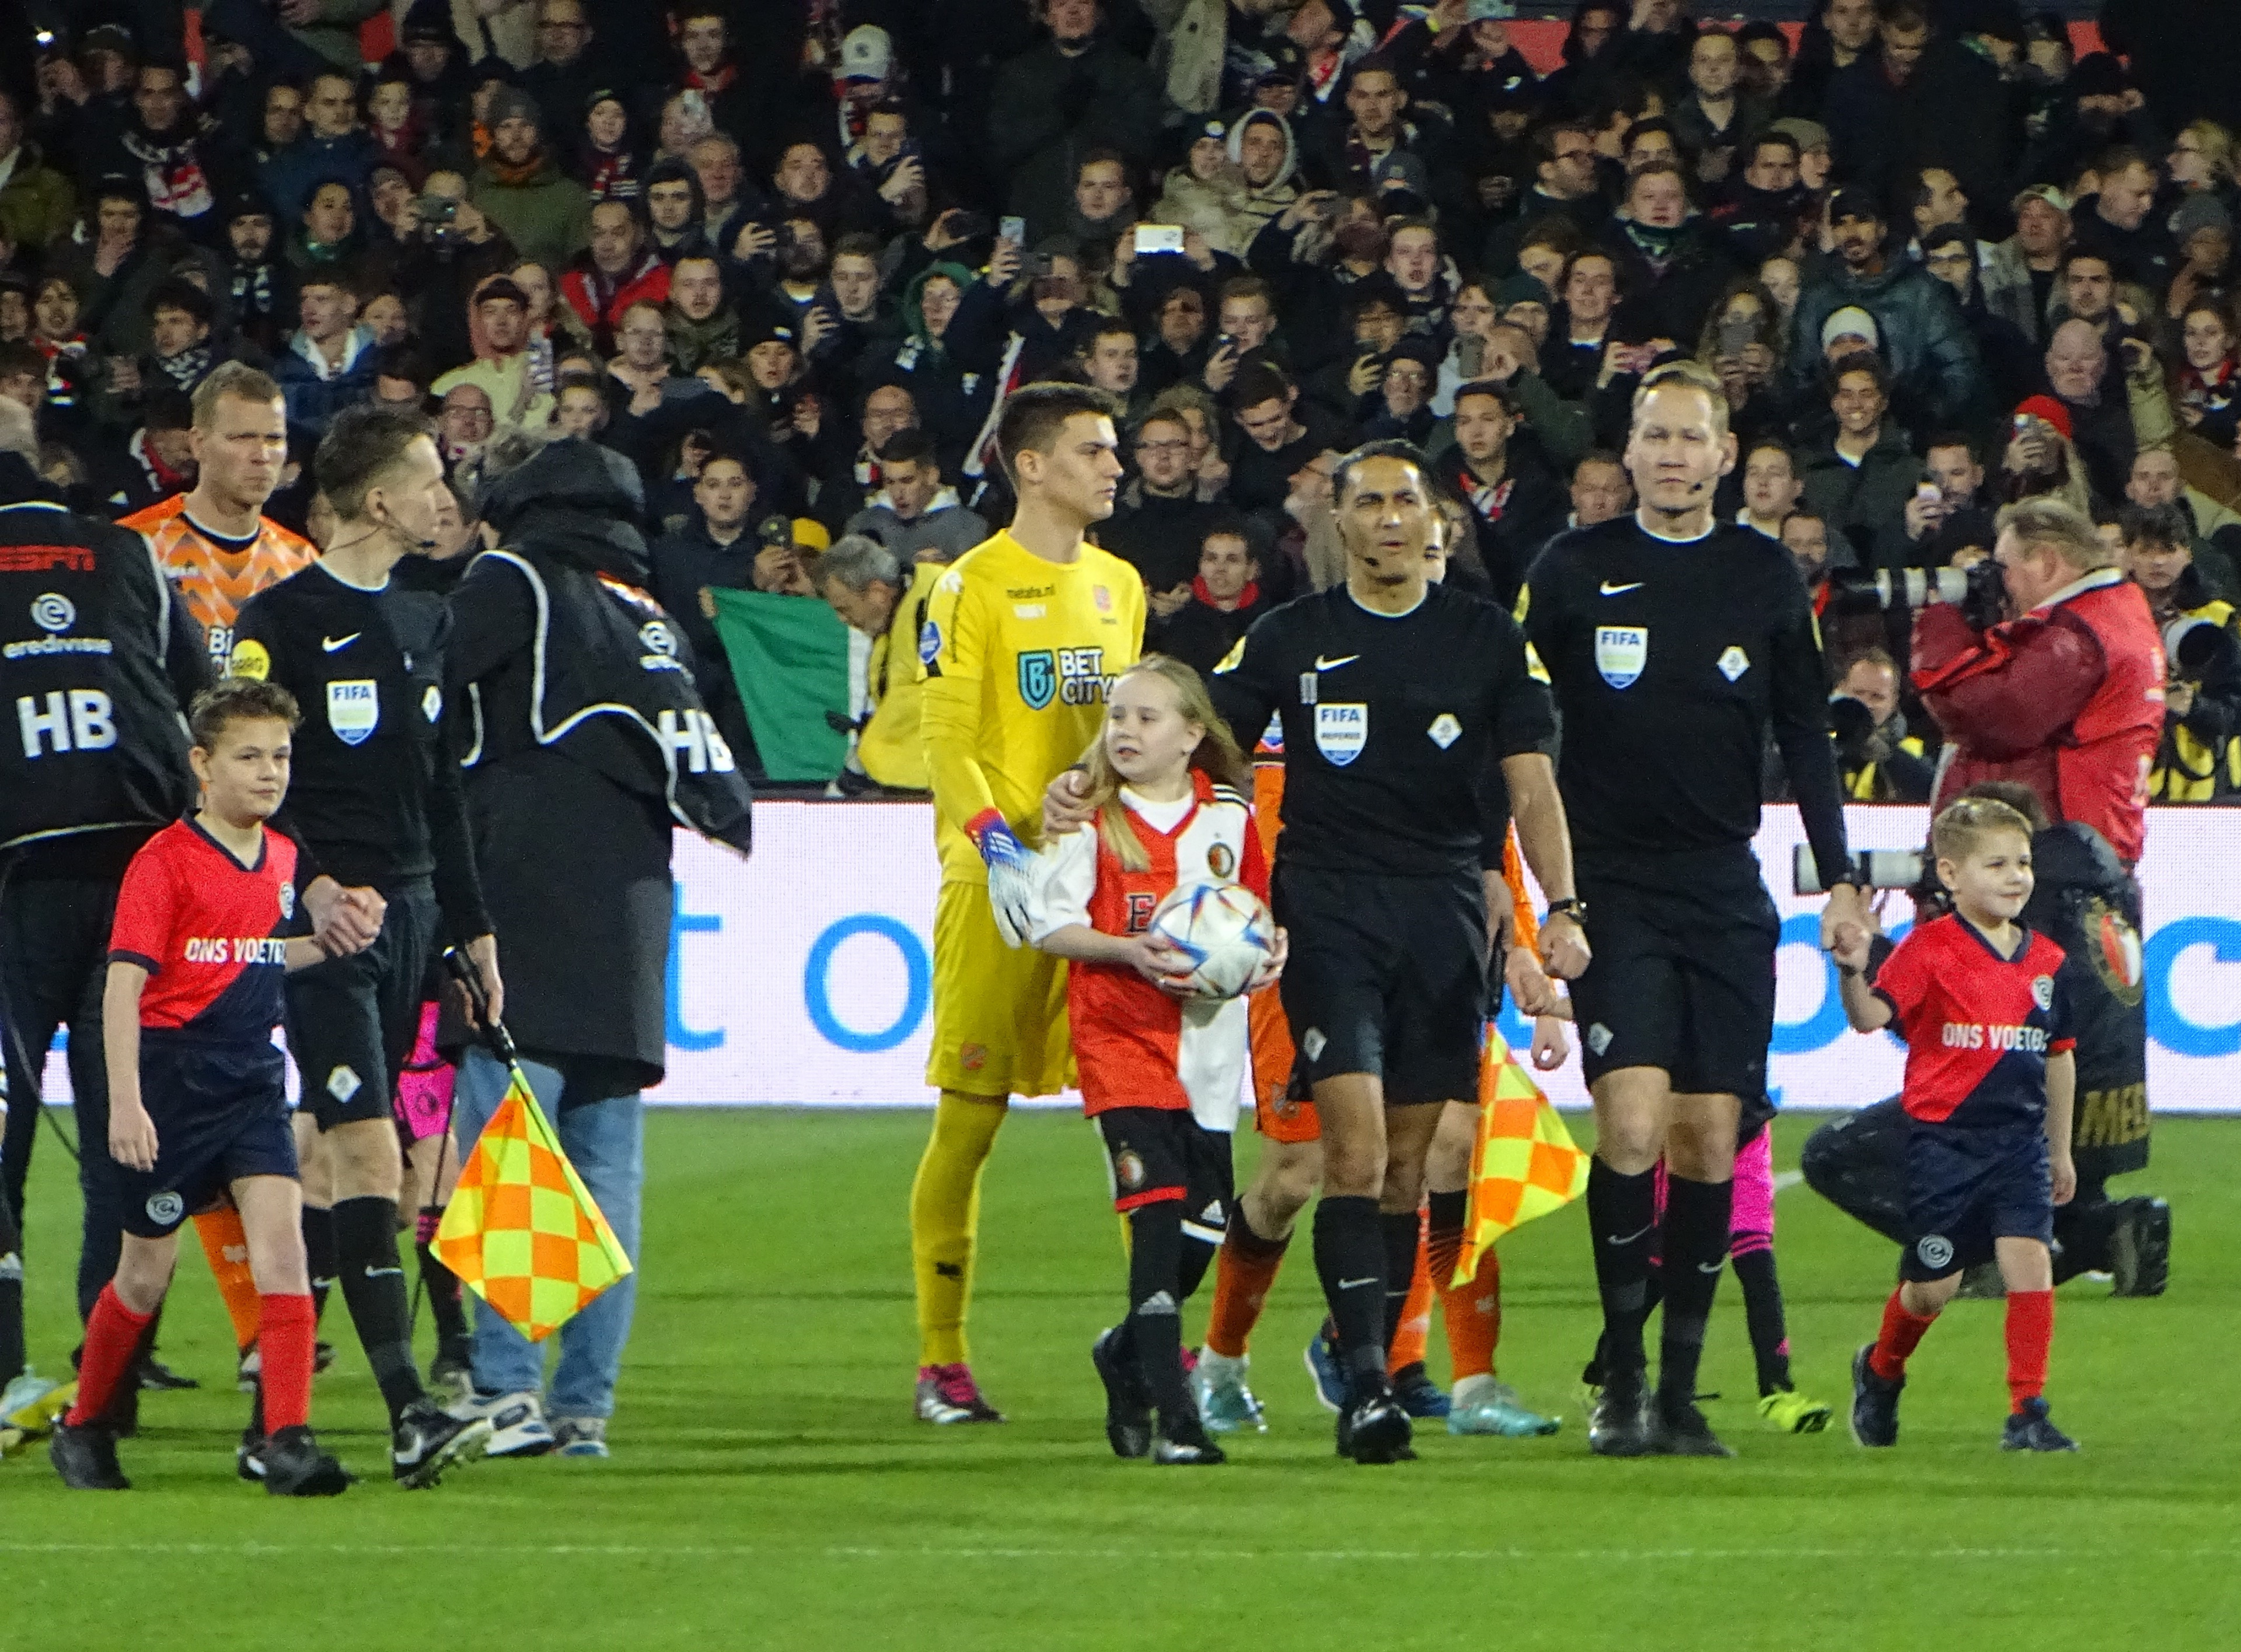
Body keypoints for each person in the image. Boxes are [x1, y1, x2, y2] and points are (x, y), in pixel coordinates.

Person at [1178, 436, 1584, 1464]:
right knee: (1347, 1156)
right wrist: (1212, 847)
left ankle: (1370, 1362)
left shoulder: (1489, 640)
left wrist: (1563, 906)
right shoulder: (1291, 636)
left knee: (1411, 1168)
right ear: (1339, 524)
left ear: (1438, 521)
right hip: (1327, 916)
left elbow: (1530, 786)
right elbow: (1210, 739)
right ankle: (1367, 1385)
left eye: (1409, 501)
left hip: (1444, 916)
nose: (1392, 519)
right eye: (1370, 503)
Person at [1519, 358, 1867, 1458]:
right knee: (1629, 1129)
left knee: (1711, 1143)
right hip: (1613, 885)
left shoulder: (1765, 579)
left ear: (1727, 456)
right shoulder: (1572, 570)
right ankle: (1619, 1380)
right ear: (1628, 451)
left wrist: (1840, 871)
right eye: (1653, 437)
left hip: (1724, 883)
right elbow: (1523, 733)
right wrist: (1538, 889)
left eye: (1691, 439)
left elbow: (1807, 733)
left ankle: (1678, 1390)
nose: (1671, 457)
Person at [445, 430, 753, 1458]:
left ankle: (506, 1390)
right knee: (605, 1162)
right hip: (632, 901)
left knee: (516, 1153)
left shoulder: (515, 581)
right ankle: (586, 1409)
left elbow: (425, 692)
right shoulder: (647, 612)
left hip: (523, 887)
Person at [226, 405, 499, 1482]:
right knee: (372, 1156)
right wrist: (315, 884)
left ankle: (276, 1407)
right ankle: (408, 1408)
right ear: (379, 500)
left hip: (420, 918)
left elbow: (444, 793)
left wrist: (474, 929)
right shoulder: (281, 620)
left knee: (348, 1168)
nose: (446, 498)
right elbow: (243, 782)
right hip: (327, 923)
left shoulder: (432, 620)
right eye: (430, 479)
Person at [50, 679, 371, 1496]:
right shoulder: (163, 862)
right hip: (168, 1079)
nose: (270, 773)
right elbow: (124, 987)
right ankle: (85, 1423)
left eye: (281, 756)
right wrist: (125, 1101)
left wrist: (329, 943)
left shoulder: (284, 859)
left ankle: (287, 1435)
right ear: (202, 764)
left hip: (251, 1077)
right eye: (250, 756)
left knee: (283, 1249)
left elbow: (252, 958)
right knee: (144, 1274)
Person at [909, 382, 1144, 1425]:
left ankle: (1157, 1341)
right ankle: (941, 1360)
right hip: (1000, 887)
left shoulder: (1121, 585)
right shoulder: (968, 588)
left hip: (1101, 883)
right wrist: (1005, 852)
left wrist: (1102, 793)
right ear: (1033, 464)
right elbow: (946, 745)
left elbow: (1130, 733)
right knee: (970, 1122)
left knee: (1144, 1120)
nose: (1117, 466)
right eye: (1096, 450)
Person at [0, 394, 210, 1440]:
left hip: (18, 880)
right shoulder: (126, 558)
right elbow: (205, 695)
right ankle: (108, 1374)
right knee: (119, 1120)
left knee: (5, 1128)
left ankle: (7, 1373)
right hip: (138, 866)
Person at [1026, 655, 1282, 1467]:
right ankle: (1177, 1415)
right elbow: (1046, 922)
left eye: (1146, 717)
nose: (1125, 730)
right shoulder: (1089, 817)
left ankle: (1123, 1356)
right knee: (1158, 1213)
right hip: (1118, 1039)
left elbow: (1260, 911)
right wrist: (1128, 950)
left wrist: (1270, 952)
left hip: (1207, 1052)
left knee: (1205, 1227)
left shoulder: (1228, 820)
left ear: (1192, 735)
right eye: (1117, 717)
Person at [1910, 496, 2167, 1290]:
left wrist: (1942, 628)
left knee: (2005, 1058)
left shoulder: (2079, 630)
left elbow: (1997, 711)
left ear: (2050, 561)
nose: (2001, 579)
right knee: (2065, 1059)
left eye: (2009, 562)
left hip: (2050, 866)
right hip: (2089, 859)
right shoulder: (2116, 614)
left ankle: (2014, 1242)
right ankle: (2095, 1225)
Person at [1832, 795, 2081, 1454]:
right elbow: (1869, 1018)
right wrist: (1851, 971)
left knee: (2029, 1263)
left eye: (2022, 862)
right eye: (1996, 863)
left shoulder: (2049, 961)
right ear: (1949, 873)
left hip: (2019, 1142)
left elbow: (2059, 1058)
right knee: (1933, 1284)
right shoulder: (1930, 949)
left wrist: (2060, 1148)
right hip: (1944, 1142)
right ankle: (1881, 1370)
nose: (2015, 876)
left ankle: (2027, 1408)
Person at [123, 364, 318, 672]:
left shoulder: (300, 561)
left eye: (274, 439)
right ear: (198, 443)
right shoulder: (133, 546)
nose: (262, 455)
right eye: (242, 438)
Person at [816, 533, 941, 794]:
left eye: (844, 608)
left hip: (941, 786)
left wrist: (861, 761)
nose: (842, 620)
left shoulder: (935, 606)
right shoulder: (893, 625)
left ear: (877, 593)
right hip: (913, 780)